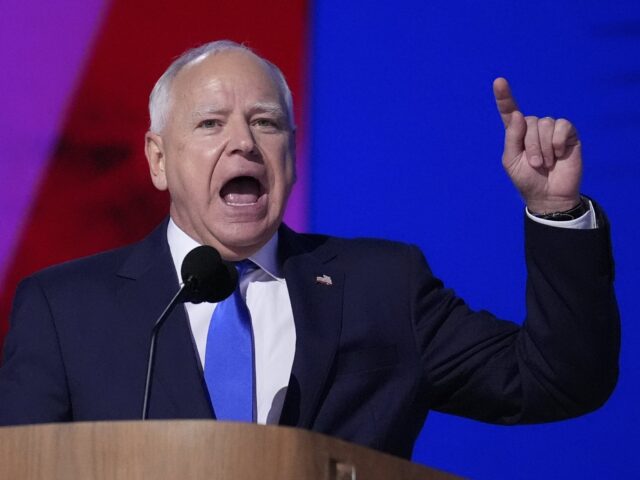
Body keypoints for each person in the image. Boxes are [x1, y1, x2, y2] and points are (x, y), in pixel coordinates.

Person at [0, 40, 619, 459]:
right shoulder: (63, 310)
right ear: (158, 160)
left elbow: (557, 382)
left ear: (291, 155)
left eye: (265, 123)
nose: (243, 142)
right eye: (211, 123)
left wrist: (556, 211)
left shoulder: (384, 287)